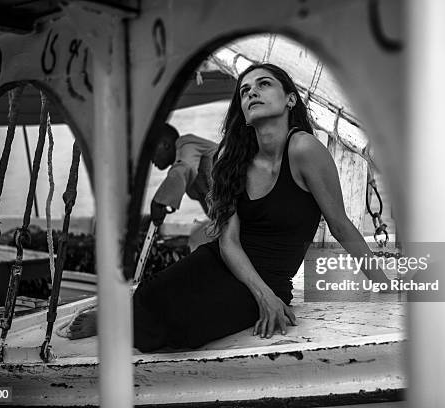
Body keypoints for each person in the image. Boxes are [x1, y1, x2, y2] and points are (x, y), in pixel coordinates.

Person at [70, 63, 386, 348]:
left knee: (185, 331)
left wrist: (384, 286)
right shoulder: (229, 159)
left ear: (290, 99)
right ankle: (113, 317)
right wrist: (263, 297)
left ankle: (120, 319)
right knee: (149, 295)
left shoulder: (304, 149)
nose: (252, 93)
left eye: (264, 85)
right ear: (242, 110)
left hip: (272, 278)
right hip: (223, 261)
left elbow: (340, 225)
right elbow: (228, 241)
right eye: (245, 90)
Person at [149, 123, 217, 227]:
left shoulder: (186, 144)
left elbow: (184, 168)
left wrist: (159, 202)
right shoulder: (186, 173)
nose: (150, 159)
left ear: (166, 144)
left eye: (151, 150)